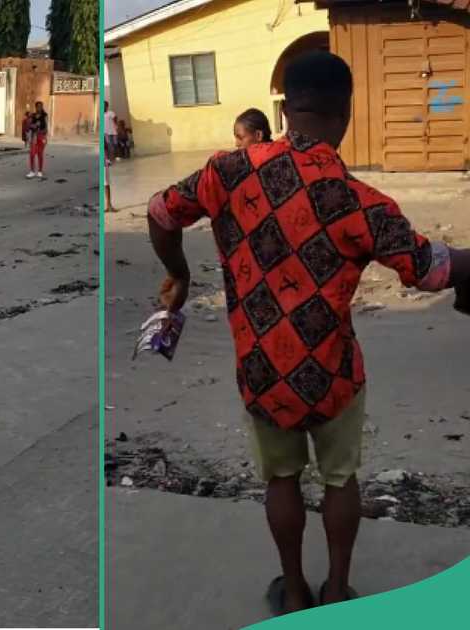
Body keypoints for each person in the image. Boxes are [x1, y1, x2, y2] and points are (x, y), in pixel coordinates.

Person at [145, 50, 470, 616]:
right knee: (341, 480)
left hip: (262, 371)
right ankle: (338, 592)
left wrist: (177, 272)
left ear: (287, 106)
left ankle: (293, 592)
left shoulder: (227, 172)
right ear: (345, 113)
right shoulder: (359, 201)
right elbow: (432, 268)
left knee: (282, 480)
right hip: (334, 375)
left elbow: (159, 212)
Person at [26, 101, 48, 179]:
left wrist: (42, 132)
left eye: (40, 106)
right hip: (34, 137)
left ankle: (40, 171)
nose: (39, 108)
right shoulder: (33, 115)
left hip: (41, 137)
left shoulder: (45, 115)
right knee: (32, 154)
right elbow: (28, 126)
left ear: (42, 107)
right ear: (35, 107)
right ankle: (32, 171)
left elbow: (46, 129)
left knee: (40, 154)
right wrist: (32, 124)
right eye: (38, 106)